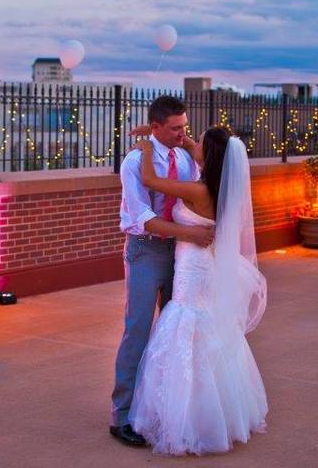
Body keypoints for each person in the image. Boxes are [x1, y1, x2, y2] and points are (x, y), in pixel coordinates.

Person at [128, 126, 268, 455]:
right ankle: (215, 414)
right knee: (204, 330)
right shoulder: (221, 187)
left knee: (186, 326)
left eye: (200, 141)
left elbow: (149, 180)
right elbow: (196, 148)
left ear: (211, 154)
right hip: (207, 262)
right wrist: (175, 135)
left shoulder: (198, 191)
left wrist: (147, 148)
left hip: (193, 265)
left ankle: (189, 421)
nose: (194, 143)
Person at [110, 96, 214, 447]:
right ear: (155, 127)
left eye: (184, 127)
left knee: (173, 336)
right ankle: (122, 417)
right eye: (175, 128)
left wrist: (185, 140)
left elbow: (199, 175)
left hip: (181, 256)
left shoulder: (185, 156)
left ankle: (158, 411)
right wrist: (192, 234)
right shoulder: (134, 161)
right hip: (145, 252)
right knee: (138, 330)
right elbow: (143, 218)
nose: (182, 134)